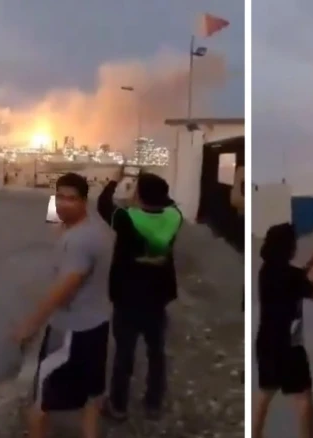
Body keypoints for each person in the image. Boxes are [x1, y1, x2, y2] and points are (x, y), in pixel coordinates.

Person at [12, 173, 111, 438]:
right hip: (97, 325)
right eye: (60, 197)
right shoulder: (93, 228)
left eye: (72, 199)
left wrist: (30, 325)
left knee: (39, 406)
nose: (64, 204)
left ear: (84, 201)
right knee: (91, 397)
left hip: (71, 333)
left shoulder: (78, 241)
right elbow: (58, 223)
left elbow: (65, 290)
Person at [97, 167, 182, 420]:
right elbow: (168, 204)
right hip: (157, 298)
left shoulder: (126, 219)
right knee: (156, 352)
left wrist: (115, 178)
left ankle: (118, 406)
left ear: (139, 195)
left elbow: (103, 204)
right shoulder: (174, 218)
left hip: (128, 298)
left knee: (124, 352)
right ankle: (153, 403)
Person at [253, 223, 313, 438]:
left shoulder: (265, 271)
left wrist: (311, 262)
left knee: (264, 395)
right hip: (289, 346)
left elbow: (294, 278)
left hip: (266, 342)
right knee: (303, 399)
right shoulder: (292, 276)